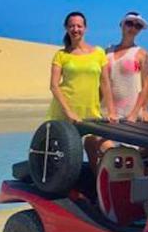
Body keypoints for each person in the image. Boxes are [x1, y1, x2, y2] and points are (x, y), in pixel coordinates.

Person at [47, 12, 116, 166]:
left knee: (108, 151)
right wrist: (68, 112)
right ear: (66, 28)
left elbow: (105, 83)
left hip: (91, 114)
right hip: (65, 115)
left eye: (79, 26)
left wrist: (111, 111)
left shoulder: (98, 53)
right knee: (66, 162)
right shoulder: (61, 55)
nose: (75, 29)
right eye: (71, 26)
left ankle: (100, 188)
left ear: (85, 28)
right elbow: (54, 85)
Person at [105, 11, 148, 121]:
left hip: (130, 114)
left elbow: (146, 86)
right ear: (122, 25)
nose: (133, 28)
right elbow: (103, 82)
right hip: (107, 112)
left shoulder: (141, 53)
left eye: (138, 26)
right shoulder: (107, 51)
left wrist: (138, 112)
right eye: (129, 23)